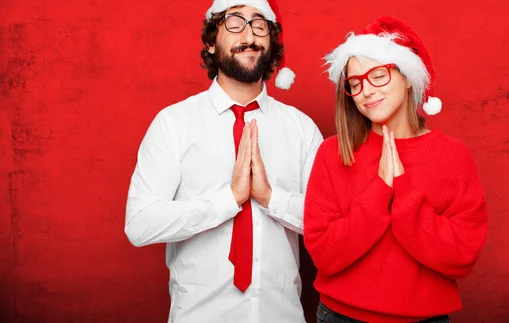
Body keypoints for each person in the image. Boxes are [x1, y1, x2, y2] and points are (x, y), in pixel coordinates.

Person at [124, 1, 323, 322]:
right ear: (211, 42)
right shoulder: (174, 123)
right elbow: (140, 225)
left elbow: (328, 222)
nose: (249, 34)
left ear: (271, 44)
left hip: (281, 314)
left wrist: (270, 198)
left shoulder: (300, 128)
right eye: (234, 23)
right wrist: (228, 200)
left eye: (260, 25)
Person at [303, 16, 489, 323]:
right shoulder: (332, 152)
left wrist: (403, 189)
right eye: (355, 83)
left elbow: (462, 256)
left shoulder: (454, 156)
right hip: (340, 317)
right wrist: (380, 191)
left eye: (378, 75)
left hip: (424, 319)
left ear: (407, 78)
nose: (366, 91)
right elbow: (325, 254)